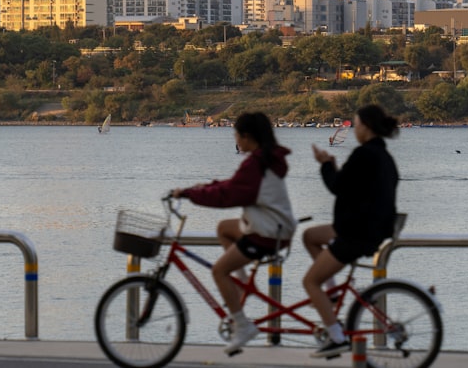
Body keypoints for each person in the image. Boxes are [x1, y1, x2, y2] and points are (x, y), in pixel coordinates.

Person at [171, 112, 295, 356]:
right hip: (275, 226)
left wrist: (189, 195)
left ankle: (242, 325)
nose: (235, 139)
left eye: (236, 134)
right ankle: (241, 283)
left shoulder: (255, 163)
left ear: (246, 136)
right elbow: (234, 185)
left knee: (218, 271)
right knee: (224, 229)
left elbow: (229, 196)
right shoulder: (265, 159)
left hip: (266, 233)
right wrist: (203, 188)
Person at [302, 104, 400, 359]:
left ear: (366, 127)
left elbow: (337, 187)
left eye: (355, 125)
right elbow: (351, 188)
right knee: (309, 236)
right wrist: (333, 165)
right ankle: (333, 294)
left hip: (356, 234)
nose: (354, 130)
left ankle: (336, 337)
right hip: (369, 228)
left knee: (310, 282)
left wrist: (325, 164)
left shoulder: (363, 154)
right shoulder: (384, 156)